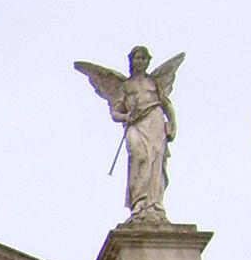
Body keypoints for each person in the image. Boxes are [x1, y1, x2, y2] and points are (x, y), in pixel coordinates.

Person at [74, 46, 184, 223]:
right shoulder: (126, 86)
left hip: (155, 122)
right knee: (139, 157)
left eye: (142, 58)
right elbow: (115, 113)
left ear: (147, 61)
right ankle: (139, 203)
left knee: (155, 162)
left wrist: (173, 123)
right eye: (136, 58)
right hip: (136, 124)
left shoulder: (154, 83)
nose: (139, 61)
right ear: (131, 61)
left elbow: (166, 104)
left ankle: (153, 204)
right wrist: (126, 116)